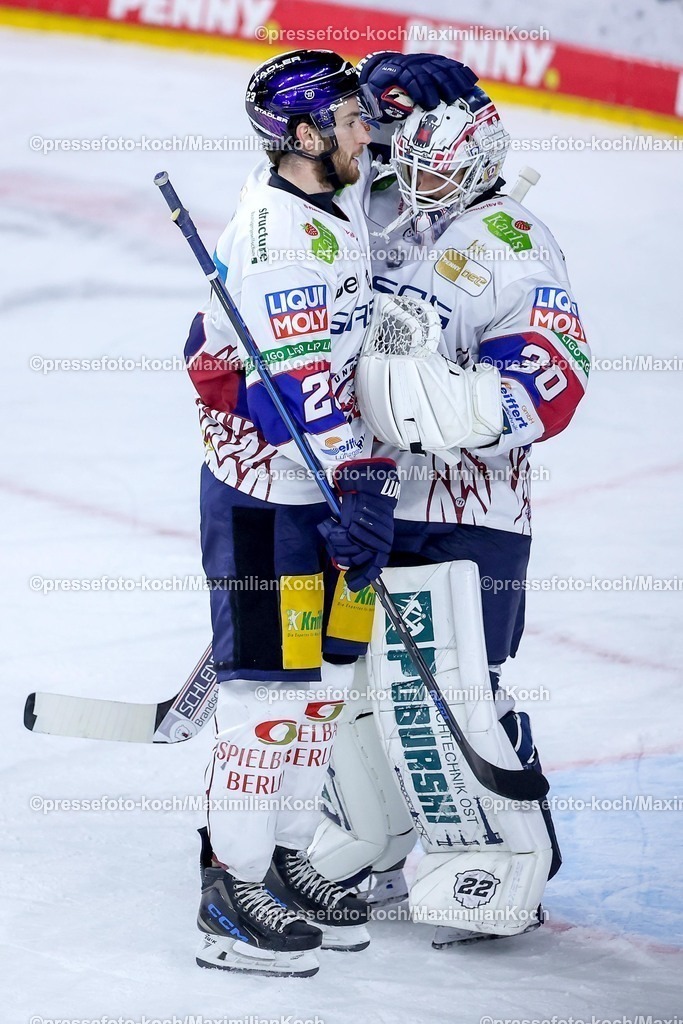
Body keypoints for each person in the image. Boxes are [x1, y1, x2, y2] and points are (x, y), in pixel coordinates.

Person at [183, 48, 474, 977]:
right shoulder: (274, 237)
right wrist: (362, 482)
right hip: (269, 500)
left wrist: (399, 78)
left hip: (333, 495)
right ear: (304, 138)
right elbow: (292, 393)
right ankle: (229, 891)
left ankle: (284, 857)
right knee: (263, 703)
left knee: (317, 696)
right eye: (352, 121)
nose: (369, 135)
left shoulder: (332, 198)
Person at [310, 65, 591, 946]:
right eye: (406, 160)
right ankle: (377, 833)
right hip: (371, 494)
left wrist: (437, 403)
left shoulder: (513, 240)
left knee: (458, 686)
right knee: (355, 677)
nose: (414, 179)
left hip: (473, 506)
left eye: (433, 168)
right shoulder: (392, 207)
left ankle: (511, 853)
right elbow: (334, 172)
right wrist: (387, 98)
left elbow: (554, 382)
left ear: (478, 163)